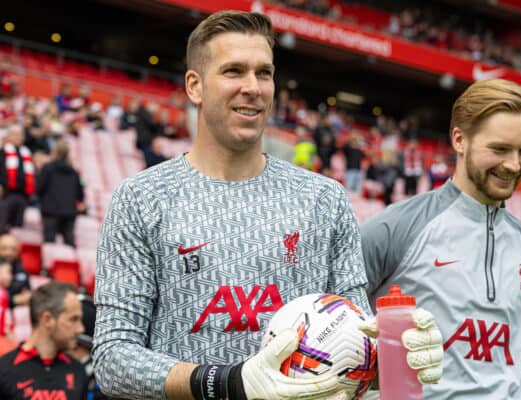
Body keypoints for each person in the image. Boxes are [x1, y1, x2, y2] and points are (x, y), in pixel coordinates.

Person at [92, 11, 443, 400]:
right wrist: (229, 382)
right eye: (233, 71)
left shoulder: (323, 199)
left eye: (264, 73)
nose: (253, 87)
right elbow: (113, 359)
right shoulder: (141, 198)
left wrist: (398, 357)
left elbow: (355, 348)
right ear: (195, 86)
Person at [361, 79, 521, 399]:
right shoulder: (397, 228)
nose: (514, 164)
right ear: (459, 139)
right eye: (499, 149)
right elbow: (331, 331)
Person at [0, 281, 88, 399]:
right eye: (73, 319)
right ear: (47, 320)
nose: (80, 329)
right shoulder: (4, 370)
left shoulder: (78, 371)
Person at [36, 139, 85, 246]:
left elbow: (39, 188)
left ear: (55, 152)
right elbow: (80, 194)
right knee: (69, 242)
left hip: (51, 210)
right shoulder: (74, 172)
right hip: (69, 212)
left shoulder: (47, 168)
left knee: (49, 242)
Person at [0, 124, 35, 233]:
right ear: (9, 136)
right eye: (15, 135)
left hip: (23, 196)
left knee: (17, 228)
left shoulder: (26, 153)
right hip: (6, 194)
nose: (18, 137)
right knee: (2, 224)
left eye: (20, 135)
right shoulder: (3, 152)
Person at [0, 233, 31, 307]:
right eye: (4, 248)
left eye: (13, 249)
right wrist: (14, 299)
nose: (9, 253)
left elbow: (27, 294)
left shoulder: (22, 270)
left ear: (18, 251)